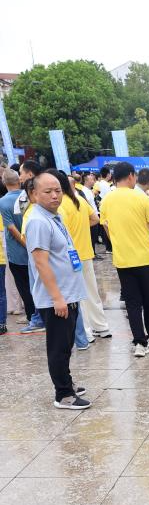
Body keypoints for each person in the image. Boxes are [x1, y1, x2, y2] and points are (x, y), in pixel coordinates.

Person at [24, 170, 90, 409]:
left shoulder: (54, 216)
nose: (55, 195)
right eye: (48, 191)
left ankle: (67, 383)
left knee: (66, 344)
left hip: (67, 293)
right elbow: (41, 263)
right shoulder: (38, 221)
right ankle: (63, 394)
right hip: (57, 297)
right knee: (58, 347)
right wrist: (57, 298)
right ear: (34, 194)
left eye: (58, 190)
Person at [100, 161, 149, 357]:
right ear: (131, 176)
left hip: (123, 260)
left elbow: (106, 227)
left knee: (132, 303)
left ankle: (139, 342)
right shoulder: (142, 198)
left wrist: (118, 243)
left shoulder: (106, 200)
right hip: (146, 259)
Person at [55, 169, 111, 341]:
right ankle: (101, 326)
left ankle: (86, 332)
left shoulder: (60, 206)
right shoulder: (78, 199)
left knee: (78, 296)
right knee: (92, 293)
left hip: (71, 256)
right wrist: (81, 229)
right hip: (86, 253)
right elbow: (95, 219)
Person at [0, 168, 44, 333]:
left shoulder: (3, 202)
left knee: (25, 288)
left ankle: (33, 317)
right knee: (38, 284)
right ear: (18, 180)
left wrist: (26, 244)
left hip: (18, 253)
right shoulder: (28, 197)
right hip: (36, 248)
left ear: (4, 182)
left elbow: (11, 228)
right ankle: (41, 315)